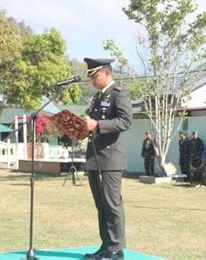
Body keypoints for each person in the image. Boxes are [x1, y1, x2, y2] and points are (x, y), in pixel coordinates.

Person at [83, 57, 132, 260]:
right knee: (101, 205)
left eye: (95, 75)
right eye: (91, 77)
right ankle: (106, 245)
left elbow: (125, 121)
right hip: (95, 157)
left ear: (107, 73)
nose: (93, 80)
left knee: (112, 204)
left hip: (110, 158)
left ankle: (116, 249)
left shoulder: (118, 94)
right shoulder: (96, 97)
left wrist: (98, 126)